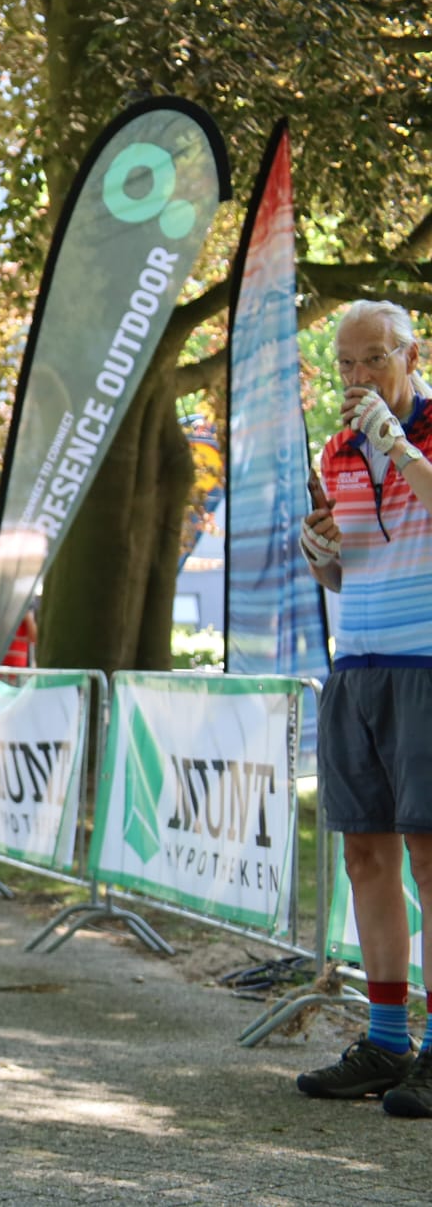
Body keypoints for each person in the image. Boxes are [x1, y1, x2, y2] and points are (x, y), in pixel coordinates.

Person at [296, 298, 432, 1118]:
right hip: (360, 665)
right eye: (345, 363)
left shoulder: (405, 432)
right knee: (366, 858)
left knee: (429, 855)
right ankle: (386, 1038)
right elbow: (351, 572)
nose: (357, 377)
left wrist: (399, 442)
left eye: (373, 358)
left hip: (428, 666)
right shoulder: (340, 447)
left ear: (412, 352)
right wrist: (323, 554)